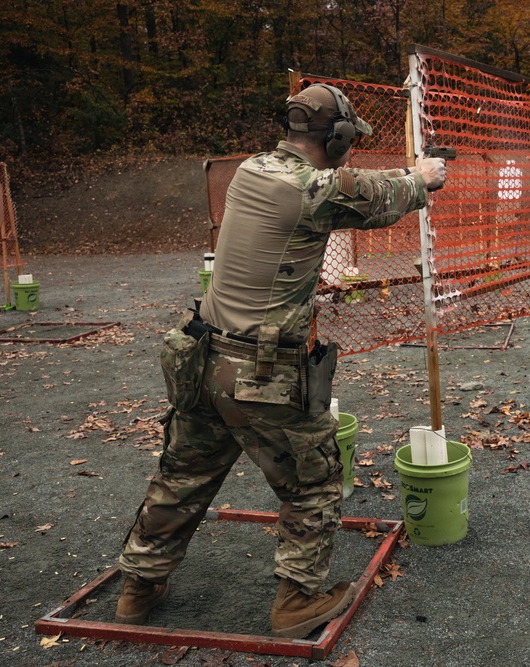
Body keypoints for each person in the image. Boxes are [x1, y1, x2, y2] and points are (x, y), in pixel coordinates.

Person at [114, 83, 447, 638]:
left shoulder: (252, 170)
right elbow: (380, 197)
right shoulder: (316, 191)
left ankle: (137, 588)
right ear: (337, 138)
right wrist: (424, 177)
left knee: (185, 474)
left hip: (200, 358)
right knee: (313, 484)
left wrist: (404, 175)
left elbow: (349, 186)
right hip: (260, 373)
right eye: (349, 139)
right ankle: (297, 603)